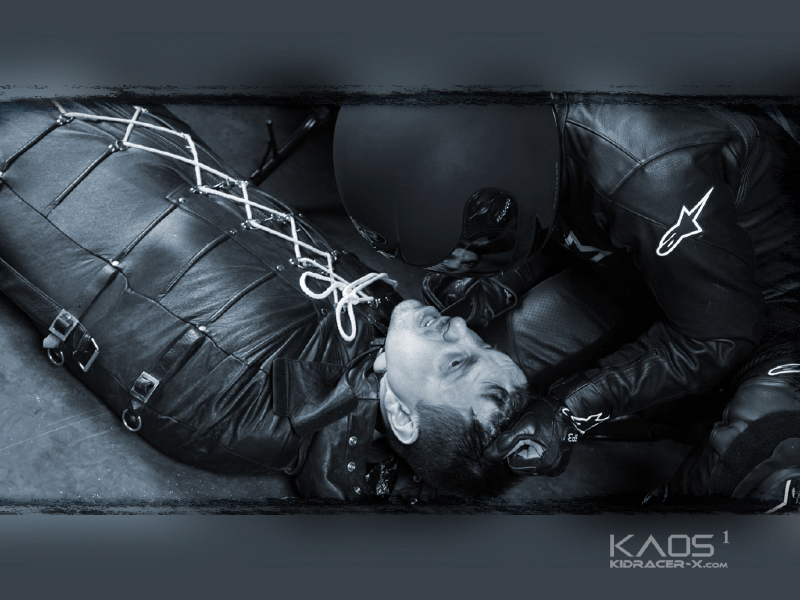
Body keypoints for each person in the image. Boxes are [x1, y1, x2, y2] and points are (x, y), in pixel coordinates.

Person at [0, 99, 541, 500]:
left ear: (400, 413)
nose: (460, 330)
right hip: (117, 123)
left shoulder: (248, 408)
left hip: (28, 146)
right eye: (484, 346)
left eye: (456, 362)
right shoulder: (387, 339)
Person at [332, 97, 800, 504]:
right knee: (498, 405)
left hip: (776, 308)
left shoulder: (647, 168)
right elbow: (572, 205)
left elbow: (722, 333)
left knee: (761, 455)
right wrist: (495, 280)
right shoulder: (527, 130)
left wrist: (567, 411)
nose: (459, 332)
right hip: (641, 275)